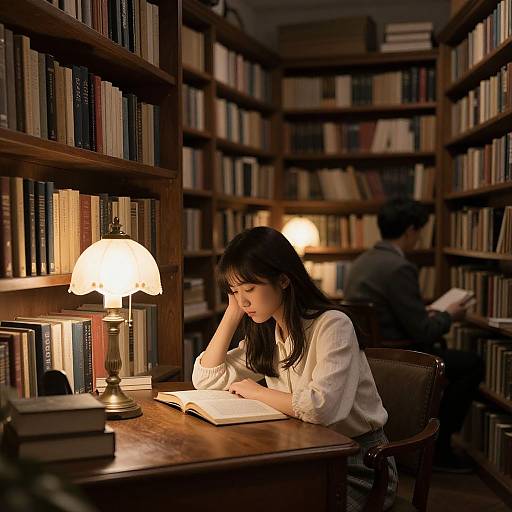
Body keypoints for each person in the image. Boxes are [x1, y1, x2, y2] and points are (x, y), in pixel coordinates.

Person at [192, 226, 398, 512]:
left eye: (249, 289)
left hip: (358, 463)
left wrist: (256, 392)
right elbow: (206, 379)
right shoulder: (267, 331)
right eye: (234, 292)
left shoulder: (332, 325)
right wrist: (231, 312)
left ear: (284, 280)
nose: (243, 301)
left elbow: (321, 408)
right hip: (300, 455)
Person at [344, 197, 484, 473]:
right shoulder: (400, 267)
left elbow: (392, 312)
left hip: (368, 351)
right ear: (410, 230)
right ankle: (441, 448)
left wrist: (425, 311)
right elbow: (422, 331)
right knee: (472, 364)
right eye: (418, 231)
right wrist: (449, 315)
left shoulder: (362, 261)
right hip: (398, 354)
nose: (418, 238)